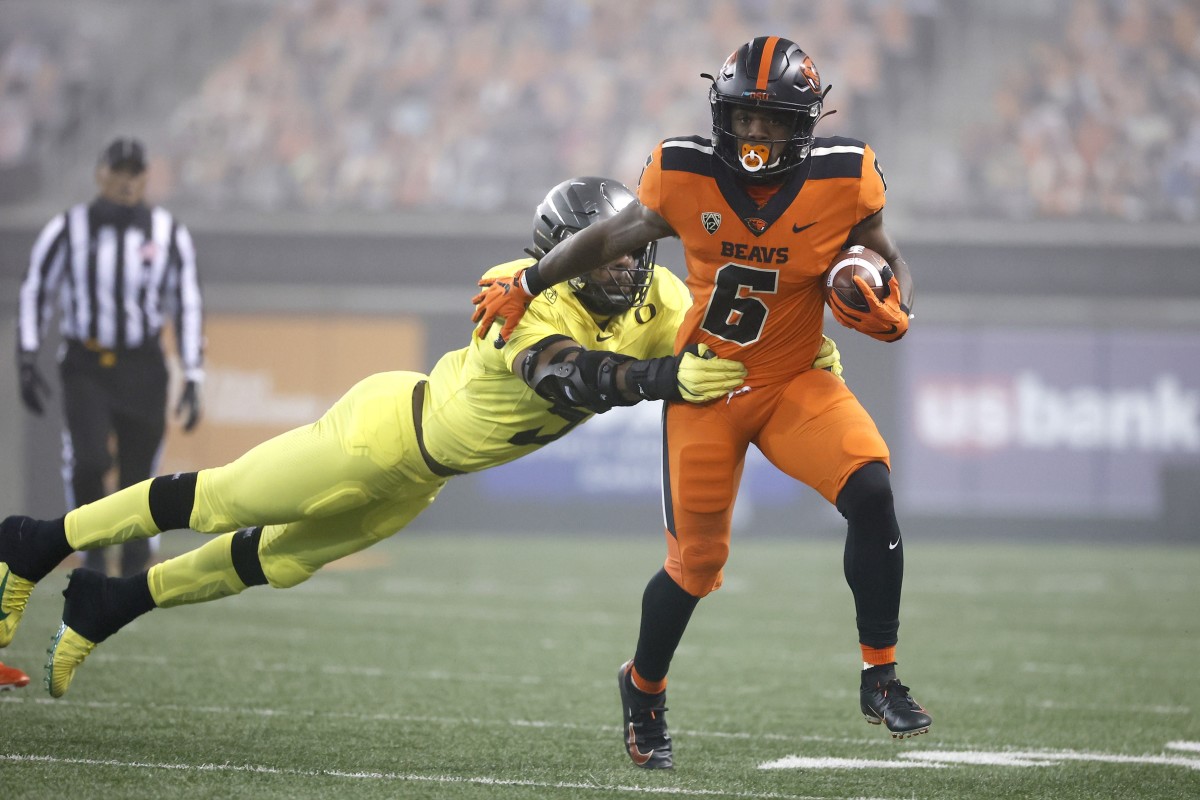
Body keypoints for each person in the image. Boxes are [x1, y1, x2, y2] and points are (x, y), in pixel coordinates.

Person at [0, 175, 843, 699]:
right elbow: (567, 374)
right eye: (607, 258)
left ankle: (111, 602)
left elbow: (727, 338)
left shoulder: (654, 295)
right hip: (382, 432)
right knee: (222, 498)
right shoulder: (516, 290)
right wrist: (666, 380)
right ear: (559, 254)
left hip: (424, 478)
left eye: (627, 254)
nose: (626, 269)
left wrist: (804, 340)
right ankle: (38, 542)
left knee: (279, 562)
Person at [471, 37, 931, 769]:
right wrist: (528, 283)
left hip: (793, 379)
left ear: (803, 124)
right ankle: (643, 687)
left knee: (871, 488)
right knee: (695, 566)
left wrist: (896, 302)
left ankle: (881, 674)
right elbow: (605, 237)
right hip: (709, 384)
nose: (754, 136)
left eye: (771, 121)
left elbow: (887, 252)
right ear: (721, 115)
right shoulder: (683, 173)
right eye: (743, 118)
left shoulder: (846, 178)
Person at [17, 137, 205, 579]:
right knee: (90, 461)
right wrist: (26, 354)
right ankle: (93, 549)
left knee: (139, 473)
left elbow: (188, 302)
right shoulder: (69, 228)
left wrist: (194, 373)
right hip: (88, 363)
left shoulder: (168, 233)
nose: (127, 181)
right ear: (101, 174)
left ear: (145, 177)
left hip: (143, 366)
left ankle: (137, 559)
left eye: (135, 172)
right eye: (119, 171)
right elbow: (36, 290)